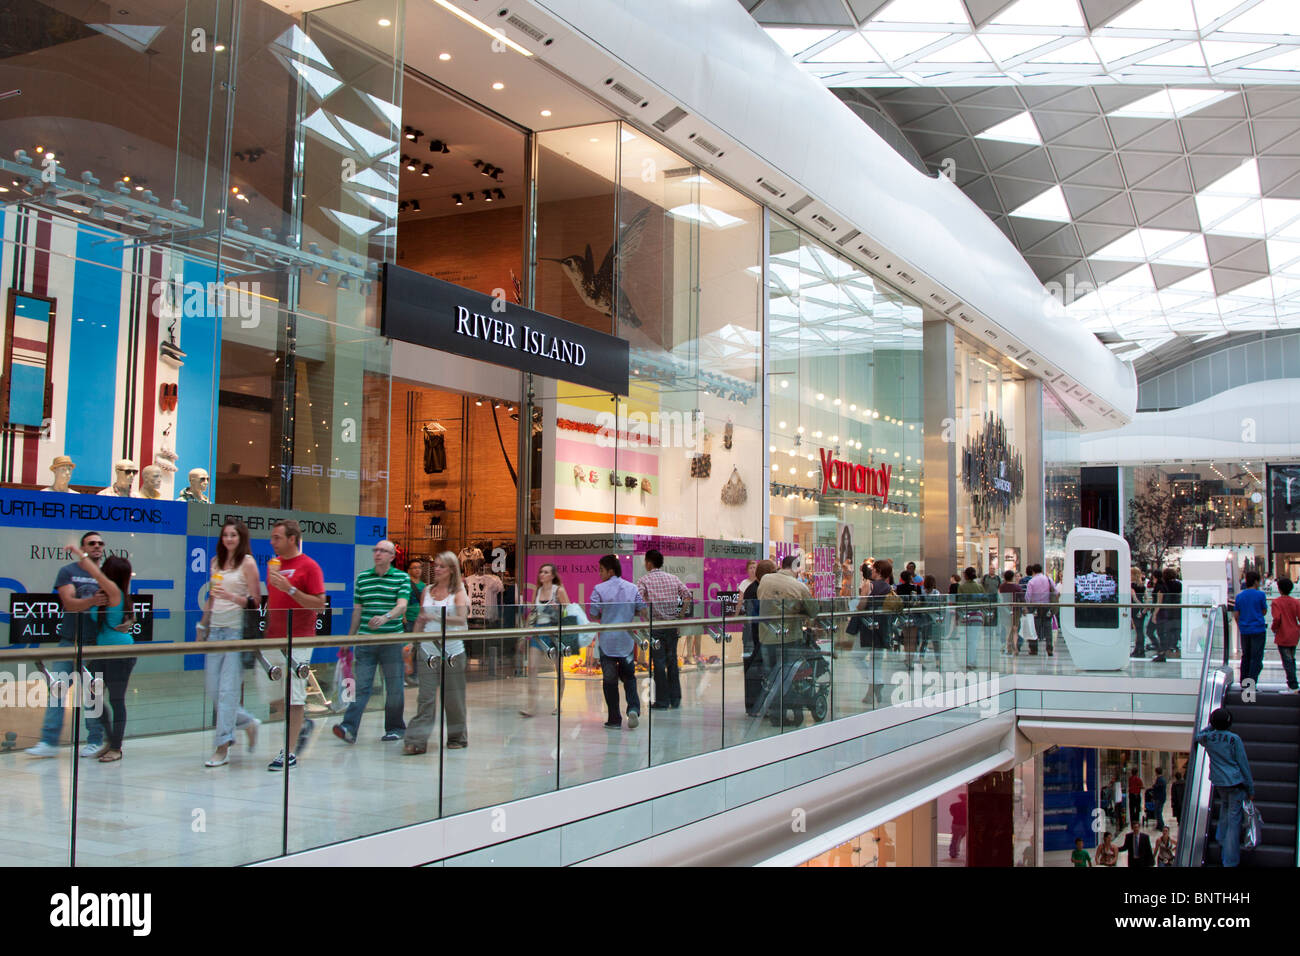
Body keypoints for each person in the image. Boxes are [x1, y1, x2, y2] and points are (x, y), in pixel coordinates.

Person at [27, 532, 110, 758]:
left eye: (100, 544)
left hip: (96, 643)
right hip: (69, 641)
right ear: (83, 547)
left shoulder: (106, 574)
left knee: (93, 694)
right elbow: (70, 604)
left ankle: (95, 739)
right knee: (57, 691)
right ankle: (49, 741)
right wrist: (92, 601)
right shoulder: (68, 572)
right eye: (91, 543)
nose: (97, 547)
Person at [264, 519, 327, 771]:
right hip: (274, 639)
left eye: (277, 537)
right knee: (273, 694)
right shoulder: (274, 565)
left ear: (292, 539)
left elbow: (320, 604)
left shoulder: (309, 566)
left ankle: (289, 751)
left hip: (299, 638)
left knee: (294, 695)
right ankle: (302, 722)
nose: (272, 541)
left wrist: (290, 589)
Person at [197, 519, 261, 767]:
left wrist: (232, 596)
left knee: (227, 691)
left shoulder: (248, 563)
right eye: (225, 535)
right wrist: (202, 625)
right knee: (214, 690)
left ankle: (222, 745)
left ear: (241, 537)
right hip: (215, 631)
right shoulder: (216, 562)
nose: (229, 539)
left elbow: (255, 602)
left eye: (233, 535)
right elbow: (212, 598)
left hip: (236, 632)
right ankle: (247, 722)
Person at [334, 540, 409, 745]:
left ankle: (395, 727)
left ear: (392, 556)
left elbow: (402, 606)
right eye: (376, 550)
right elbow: (358, 610)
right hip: (366, 641)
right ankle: (349, 727)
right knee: (362, 686)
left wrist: (386, 617)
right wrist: (350, 638)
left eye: (383, 551)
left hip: (392, 640)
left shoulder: (401, 578)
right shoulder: (363, 578)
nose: (378, 554)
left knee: (394, 686)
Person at [406, 551, 470, 753]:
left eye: (442, 566)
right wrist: (411, 644)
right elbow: (420, 619)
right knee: (425, 697)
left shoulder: (458, 592)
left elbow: (461, 619)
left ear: (451, 570)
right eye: (436, 565)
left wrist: (437, 619)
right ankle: (417, 740)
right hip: (428, 648)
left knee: (453, 697)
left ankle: (457, 736)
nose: (437, 569)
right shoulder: (427, 590)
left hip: (452, 651)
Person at [588, 555, 646, 730]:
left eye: (601, 570)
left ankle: (614, 718)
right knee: (629, 677)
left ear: (610, 571)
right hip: (626, 642)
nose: (599, 573)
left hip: (607, 642)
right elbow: (642, 609)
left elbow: (593, 613)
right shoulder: (632, 587)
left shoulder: (599, 589)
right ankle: (633, 708)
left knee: (610, 680)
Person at [1195, 707, 1255, 867]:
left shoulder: (1207, 738)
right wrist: (1250, 789)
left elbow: (1198, 736)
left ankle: (1220, 837)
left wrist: (1211, 726)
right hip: (1235, 782)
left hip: (1219, 781)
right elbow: (1243, 764)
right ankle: (1230, 860)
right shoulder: (1234, 739)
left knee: (1225, 807)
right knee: (1234, 823)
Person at [89, 555, 134, 762]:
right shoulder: (106, 595)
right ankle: (111, 739)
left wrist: (79, 554)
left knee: (116, 699)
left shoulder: (115, 593)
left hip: (119, 653)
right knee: (92, 697)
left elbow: (96, 574)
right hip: (101, 652)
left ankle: (116, 746)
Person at [637, 549, 694, 710]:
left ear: (648, 563)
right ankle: (675, 699)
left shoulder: (644, 580)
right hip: (671, 625)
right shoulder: (673, 578)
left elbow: (638, 600)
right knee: (672, 661)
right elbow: (687, 595)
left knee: (659, 663)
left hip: (656, 626)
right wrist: (680, 616)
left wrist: (646, 618)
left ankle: (662, 701)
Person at [521, 562, 568, 717]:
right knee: (532, 668)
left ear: (553, 575)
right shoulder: (538, 590)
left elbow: (568, 610)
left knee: (558, 669)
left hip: (554, 632)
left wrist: (558, 609)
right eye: (541, 571)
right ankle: (531, 706)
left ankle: (559, 704)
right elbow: (534, 612)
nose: (542, 574)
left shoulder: (558, 590)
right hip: (539, 631)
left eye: (546, 572)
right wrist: (525, 633)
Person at [742, 562, 771, 716]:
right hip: (758, 637)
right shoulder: (759, 590)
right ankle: (756, 705)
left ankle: (754, 705)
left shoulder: (752, 588)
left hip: (753, 636)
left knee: (753, 670)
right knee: (758, 670)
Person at [1234, 570, 1269, 689]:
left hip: (1245, 630)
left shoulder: (1239, 596)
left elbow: (1236, 614)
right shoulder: (1260, 595)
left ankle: (1243, 682)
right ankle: (1251, 684)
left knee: (1246, 656)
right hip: (1258, 629)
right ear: (1255, 581)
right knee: (1256, 657)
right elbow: (1264, 611)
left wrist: (1241, 625)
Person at [1270, 576, 1300, 692]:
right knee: (1291, 659)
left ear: (1279, 588)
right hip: (1294, 634)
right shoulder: (1295, 602)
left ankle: (1292, 685)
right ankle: (1293, 683)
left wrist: (1274, 628)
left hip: (1283, 634)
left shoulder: (1276, 602)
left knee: (1287, 661)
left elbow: (1276, 618)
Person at [1024, 563, 1058, 656]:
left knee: (1034, 628)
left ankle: (1034, 649)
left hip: (1035, 607)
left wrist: (1027, 606)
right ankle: (1049, 648)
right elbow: (1056, 591)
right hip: (1047, 606)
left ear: (1033, 571)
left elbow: (1028, 596)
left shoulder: (1032, 581)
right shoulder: (1048, 579)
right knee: (1048, 627)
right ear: (1041, 570)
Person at [1151, 567, 1182, 663]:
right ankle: (1173, 645)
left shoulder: (1164, 585)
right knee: (1175, 629)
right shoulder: (1179, 584)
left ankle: (1164, 650)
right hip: (1177, 609)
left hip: (1167, 610)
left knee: (1165, 631)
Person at [956, 566, 985, 667]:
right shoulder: (979, 587)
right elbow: (984, 601)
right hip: (977, 615)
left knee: (969, 640)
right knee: (975, 639)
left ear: (966, 575)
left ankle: (970, 660)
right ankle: (973, 660)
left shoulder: (962, 587)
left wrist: (960, 615)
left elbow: (959, 603)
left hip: (967, 616)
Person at [999, 570, 1024, 655]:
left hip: (1005, 610)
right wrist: (1024, 608)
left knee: (1007, 628)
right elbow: (1022, 599)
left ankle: (1008, 646)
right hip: (1015, 610)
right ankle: (1014, 646)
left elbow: (1000, 598)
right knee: (1015, 629)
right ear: (1012, 577)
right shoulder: (1017, 587)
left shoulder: (1001, 587)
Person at [1131, 566, 1148, 658]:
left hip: (1135, 609)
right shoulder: (1142, 586)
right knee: (1140, 630)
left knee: (1138, 630)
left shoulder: (1131, 586)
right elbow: (1146, 598)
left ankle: (1138, 650)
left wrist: (1140, 606)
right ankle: (1140, 649)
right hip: (1142, 609)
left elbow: (1134, 598)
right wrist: (1144, 608)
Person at [1150, 766, 1167, 831]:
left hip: (1159, 798)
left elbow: (1158, 788)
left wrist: (1154, 786)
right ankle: (1159, 824)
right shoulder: (1161, 779)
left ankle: (1161, 825)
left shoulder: (1160, 779)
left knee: (1158, 812)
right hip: (1160, 798)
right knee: (1158, 811)